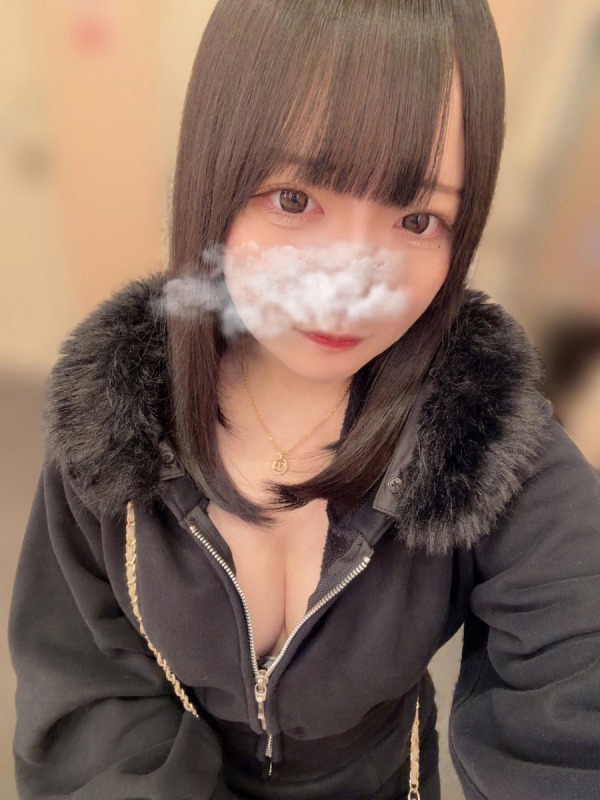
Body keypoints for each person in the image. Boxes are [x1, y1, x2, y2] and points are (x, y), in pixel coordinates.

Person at [9, 1, 600, 798]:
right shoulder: (112, 422)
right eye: (294, 199)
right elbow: (90, 694)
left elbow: (576, 700)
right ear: (213, 176)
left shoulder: (488, 440)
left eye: (417, 218)